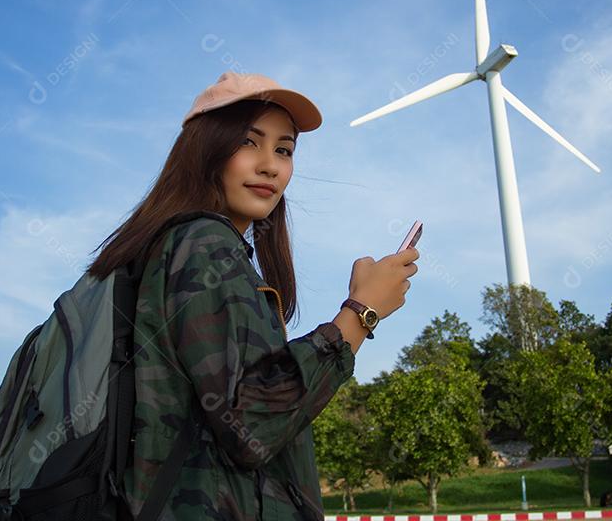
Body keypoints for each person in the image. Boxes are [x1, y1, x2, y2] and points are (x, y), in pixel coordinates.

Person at [84, 71, 420, 520]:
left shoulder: (182, 249)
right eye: (249, 142)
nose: (270, 165)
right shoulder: (203, 243)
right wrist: (360, 314)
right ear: (206, 150)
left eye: (284, 149)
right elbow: (249, 427)